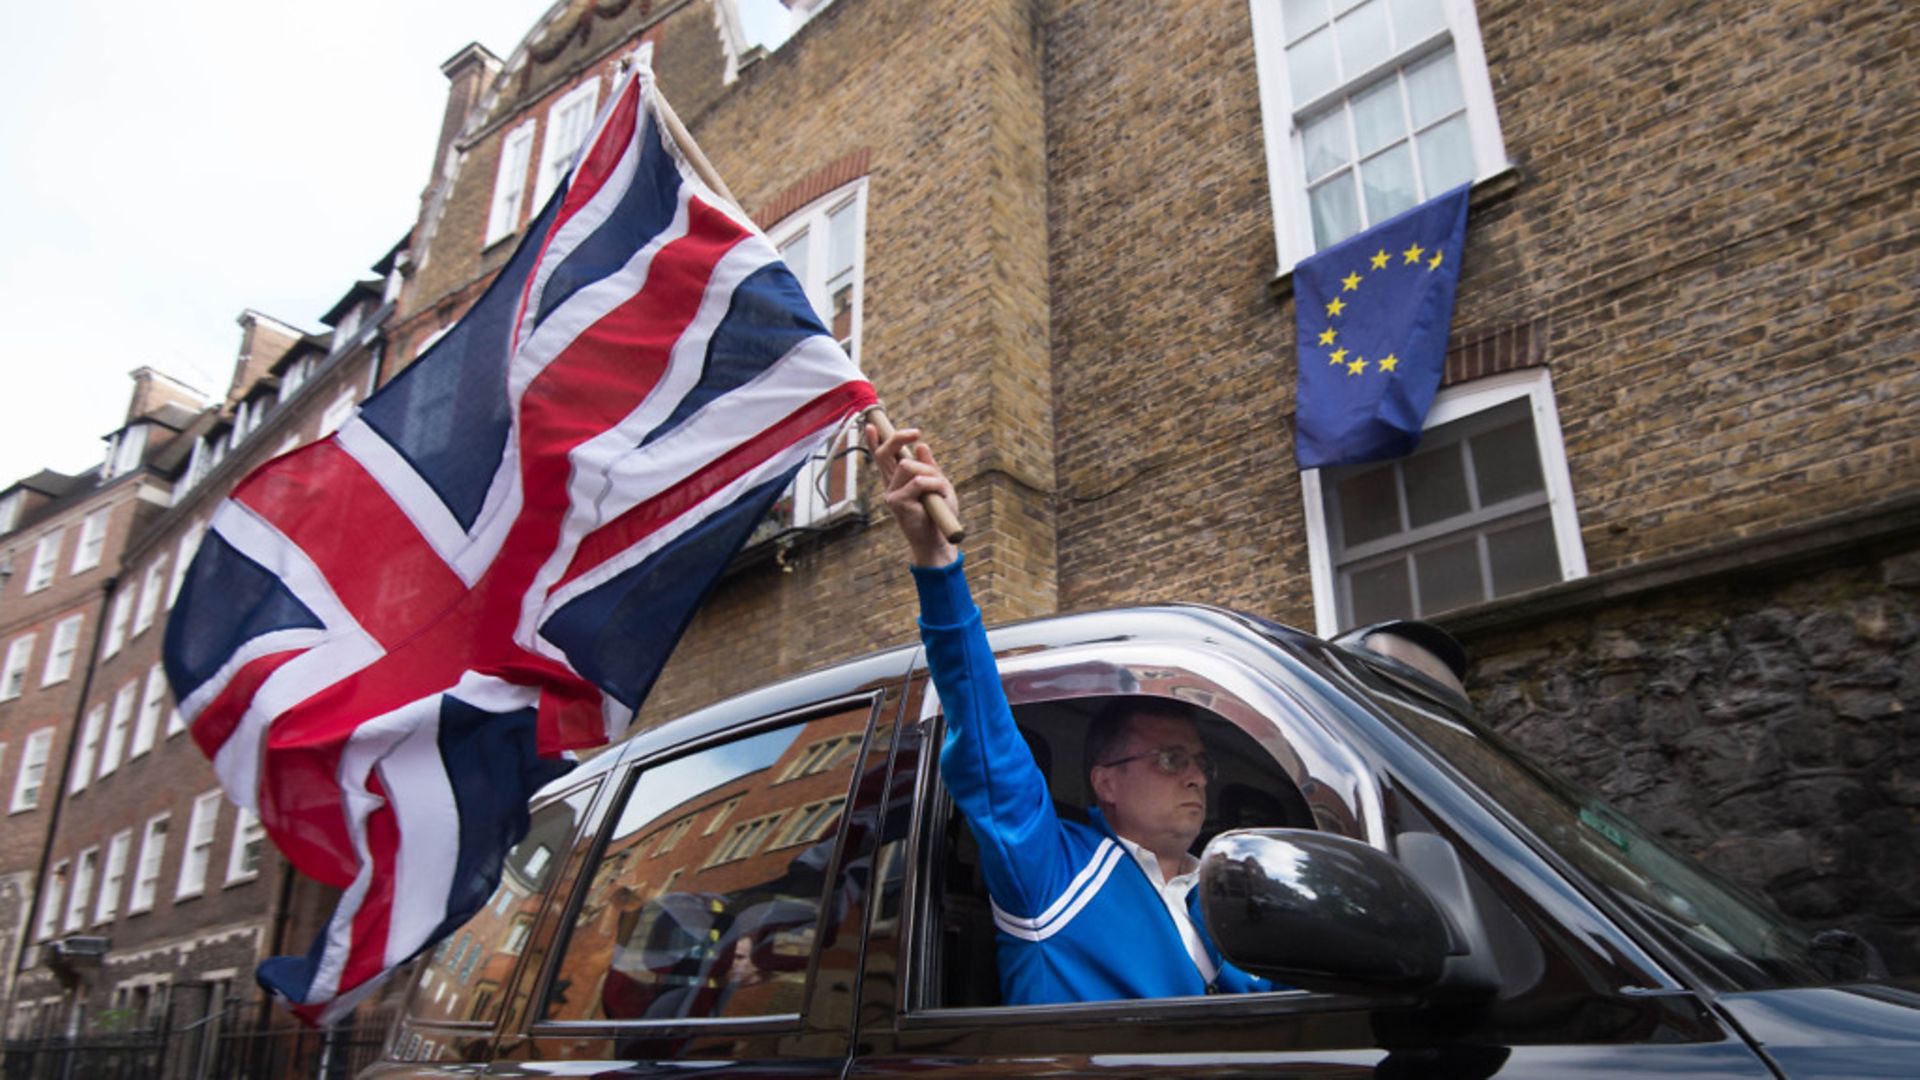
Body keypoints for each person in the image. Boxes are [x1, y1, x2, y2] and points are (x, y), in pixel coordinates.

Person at [868, 425, 1268, 1005]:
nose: (1197, 776)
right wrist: (938, 565)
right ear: (1105, 781)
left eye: (1200, 761)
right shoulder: (1052, 868)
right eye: (1169, 758)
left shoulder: (1224, 894)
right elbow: (986, 733)